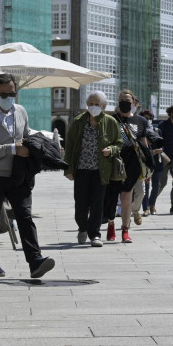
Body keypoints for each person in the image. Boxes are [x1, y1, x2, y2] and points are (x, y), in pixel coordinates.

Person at [0, 73, 55, 278]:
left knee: (25, 216)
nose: (9, 97)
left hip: (19, 173)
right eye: (4, 94)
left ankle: (35, 260)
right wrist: (11, 149)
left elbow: (24, 135)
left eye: (13, 93)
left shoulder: (20, 111)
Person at [64, 91, 122, 247]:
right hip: (81, 169)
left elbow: (119, 143)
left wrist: (111, 149)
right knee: (81, 203)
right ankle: (82, 227)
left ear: (103, 106)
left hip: (101, 170)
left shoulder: (110, 122)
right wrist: (68, 168)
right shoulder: (78, 121)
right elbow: (69, 146)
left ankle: (95, 235)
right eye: (90, 104)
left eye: (97, 104)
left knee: (97, 203)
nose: (93, 107)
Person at [106, 89, 151, 243]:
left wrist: (147, 167)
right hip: (114, 162)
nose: (125, 102)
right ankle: (111, 224)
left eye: (128, 100)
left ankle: (125, 230)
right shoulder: (111, 119)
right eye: (122, 100)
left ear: (133, 103)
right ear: (118, 102)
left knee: (127, 197)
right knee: (111, 197)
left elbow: (144, 145)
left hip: (132, 163)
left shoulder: (141, 121)